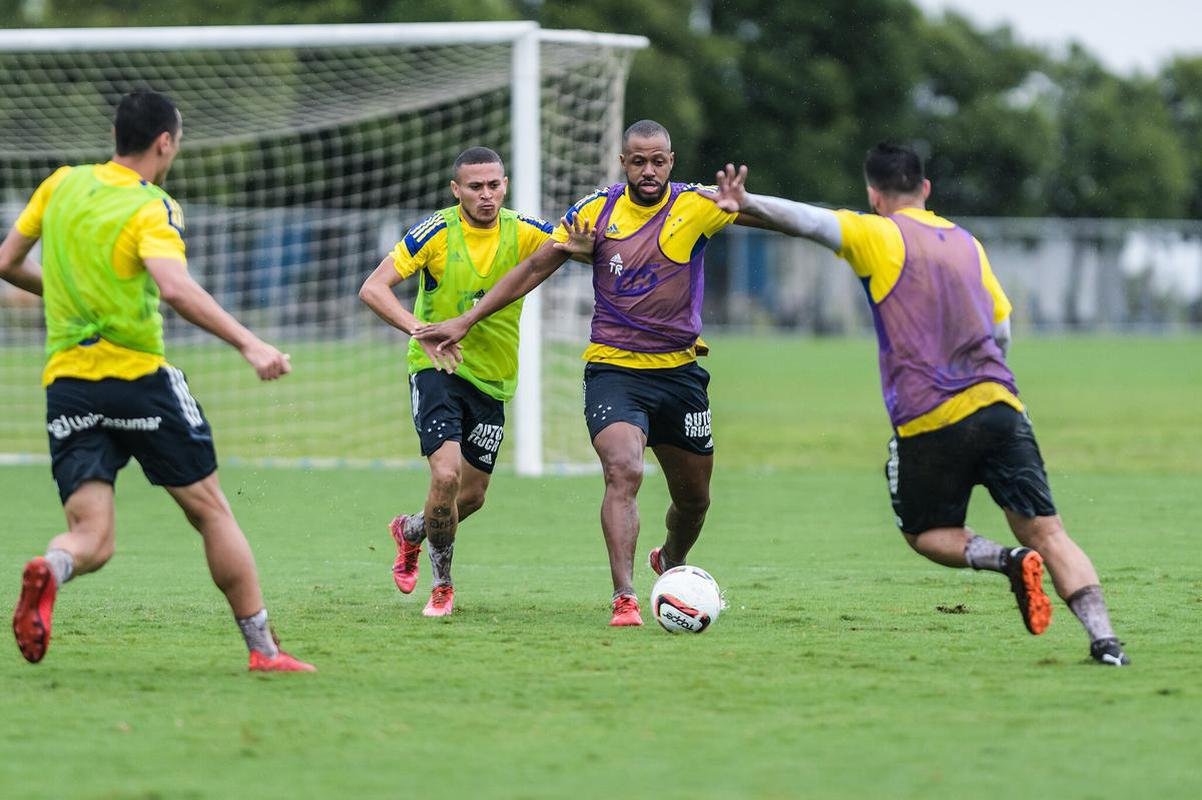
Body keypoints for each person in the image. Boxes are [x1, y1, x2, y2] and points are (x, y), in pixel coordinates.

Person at [710, 142, 1129, 666]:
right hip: (1001, 406)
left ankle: (1007, 559)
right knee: (1050, 531)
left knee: (927, 532)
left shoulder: (876, 233)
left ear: (873, 194)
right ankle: (1106, 641)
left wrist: (743, 200)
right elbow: (1000, 330)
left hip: (930, 419)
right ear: (925, 188)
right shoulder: (967, 243)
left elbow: (808, 221)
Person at [0, 90, 314, 672]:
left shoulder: (60, 184)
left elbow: (7, 261)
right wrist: (251, 342)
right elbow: (173, 286)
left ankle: (53, 568)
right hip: (139, 378)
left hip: (68, 383)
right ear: (164, 142)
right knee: (211, 512)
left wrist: (66, 297)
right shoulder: (153, 206)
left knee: (92, 536)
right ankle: (264, 651)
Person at [414, 120, 767, 627]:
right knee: (623, 470)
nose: (649, 170)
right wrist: (467, 319)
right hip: (613, 370)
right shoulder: (594, 212)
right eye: (638, 161)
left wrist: (749, 205)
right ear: (623, 162)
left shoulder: (699, 205)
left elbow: (773, 218)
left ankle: (669, 559)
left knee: (694, 501)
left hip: (681, 374)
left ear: (672, 160)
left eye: (658, 161)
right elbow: (534, 268)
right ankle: (624, 598)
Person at [359, 146, 559, 617]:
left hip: (493, 378)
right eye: (475, 187)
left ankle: (410, 531)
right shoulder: (435, 232)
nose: (486, 195)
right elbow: (373, 288)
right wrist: (419, 332)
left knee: (470, 496)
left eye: (494, 185)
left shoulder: (527, 231)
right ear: (456, 190)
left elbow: (580, 245)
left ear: (505, 185)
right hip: (437, 367)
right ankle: (442, 586)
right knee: (445, 475)